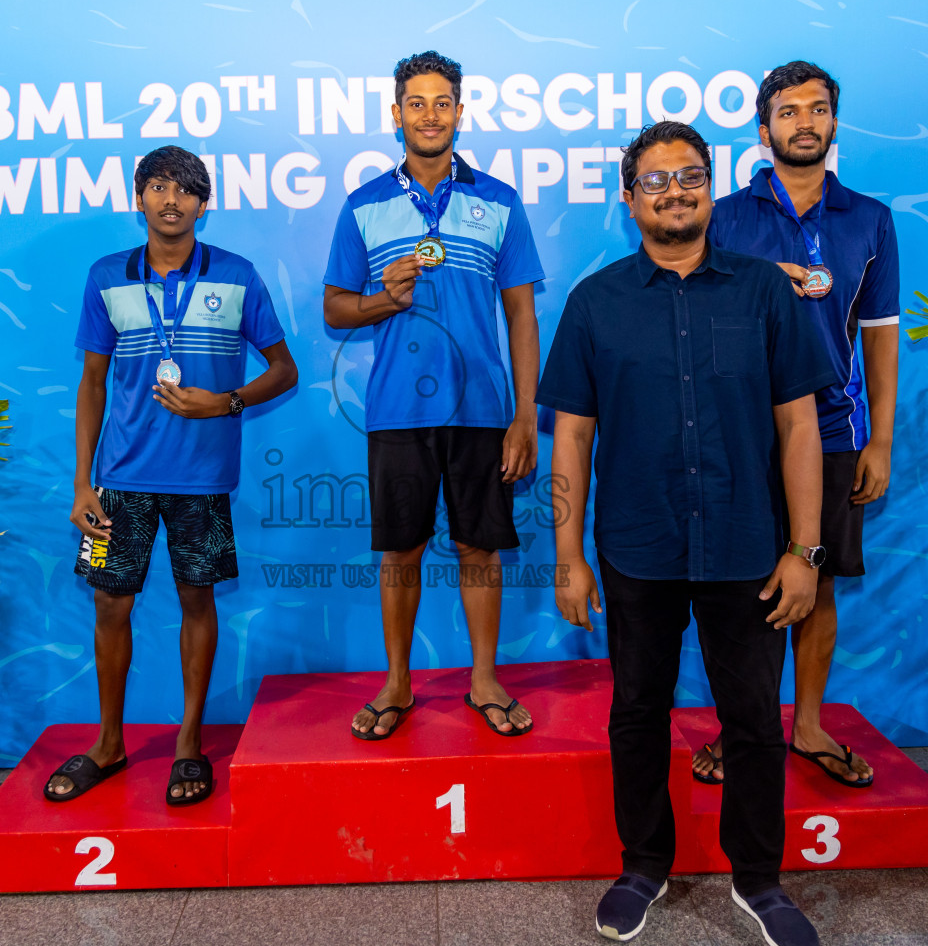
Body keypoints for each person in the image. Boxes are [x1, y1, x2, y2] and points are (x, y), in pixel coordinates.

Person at [539, 120, 831, 945]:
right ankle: (644, 865)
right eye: (657, 180)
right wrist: (568, 558)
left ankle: (760, 880)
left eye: (690, 176)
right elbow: (573, 436)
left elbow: (800, 426)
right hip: (638, 544)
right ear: (629, 199)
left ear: (710, 186)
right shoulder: (595, 302)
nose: (676, 192)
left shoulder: (764, 291)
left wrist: (805, 550)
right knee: (636, 711)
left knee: (752, 719)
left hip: (748, 544)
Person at [46, 145, 297, 806]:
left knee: (197, 601)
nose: (171, 200)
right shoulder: (105, 276)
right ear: (139, 199)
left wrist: (226, 400)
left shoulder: (239, 276)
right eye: (157, 187)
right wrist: (81, 484)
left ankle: (189, 742)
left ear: (202, 205)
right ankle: (109, 742)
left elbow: (284, 369)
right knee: (110, 605)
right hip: (118, 480)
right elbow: (91, 384)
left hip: (202, 479)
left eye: (185, 191)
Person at [322, 50, 544, 740]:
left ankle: (484, 678)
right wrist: (382, 301)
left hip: (483, 408)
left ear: (459, 111)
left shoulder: (500, 201)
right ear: (396, 115)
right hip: (396, 409)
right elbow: (334, 310)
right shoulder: (364, 205)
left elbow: (521, 316)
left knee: (481, 549)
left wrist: (525, 415)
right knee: (402, 551)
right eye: (415, 102)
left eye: (441, 101)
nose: (429, 114)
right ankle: (397, 684)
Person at [697, 60, 900, 790]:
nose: (804, 122)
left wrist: (879, 437)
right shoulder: (725, 217)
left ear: (834, 123)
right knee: (740, 588)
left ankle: (807, 725)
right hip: (744, 437)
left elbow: (879, 330)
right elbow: (693, 315)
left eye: (818, 109)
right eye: (789, 112)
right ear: (763, 129)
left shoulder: (870, 219)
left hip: (837, 432)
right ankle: (741, 727)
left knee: (819, 580)